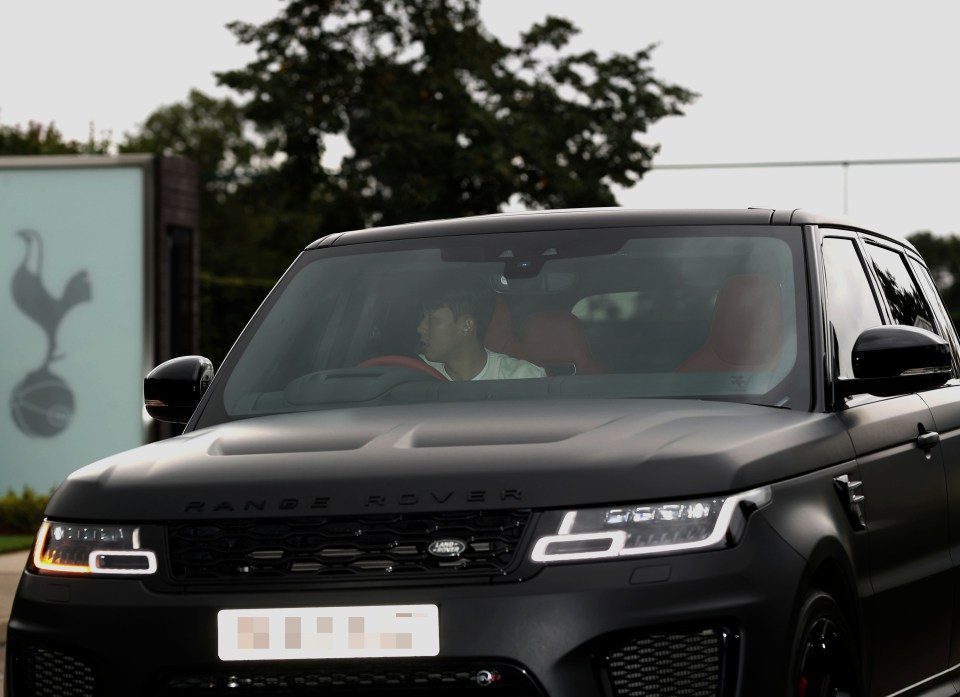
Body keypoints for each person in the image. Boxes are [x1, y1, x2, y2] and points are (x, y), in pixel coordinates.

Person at [417, 282, 546, 381]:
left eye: (433, 319)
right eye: (423, 317)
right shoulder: (415, 374)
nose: (420, 328)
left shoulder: (521, 378)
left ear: (466, 326)